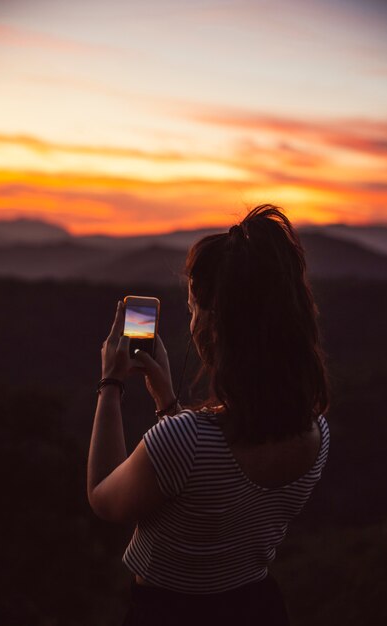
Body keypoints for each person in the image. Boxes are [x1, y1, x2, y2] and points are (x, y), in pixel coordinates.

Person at [87, 205, 330, 626]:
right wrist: (166, 400)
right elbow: (208, 486)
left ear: (214, 327)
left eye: (193, 308)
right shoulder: (316, 432)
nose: (192, 320)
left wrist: (111, 385)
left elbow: (104, 499)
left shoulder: (186, 441)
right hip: (258, 609)